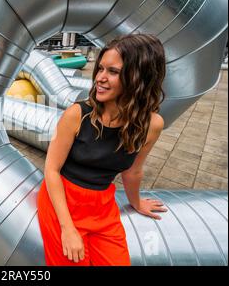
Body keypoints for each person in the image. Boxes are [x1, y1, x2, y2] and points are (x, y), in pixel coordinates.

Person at [37, 33, 169, 266]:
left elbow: (133, 172)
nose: (99, 78)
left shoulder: (152, 125)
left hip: (102, 206)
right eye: (100, 69)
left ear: (139, 78)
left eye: (113, 72)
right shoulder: (76, 114)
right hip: (62, 200)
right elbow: (51, 170)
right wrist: (67, 229)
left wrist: (136, 203)